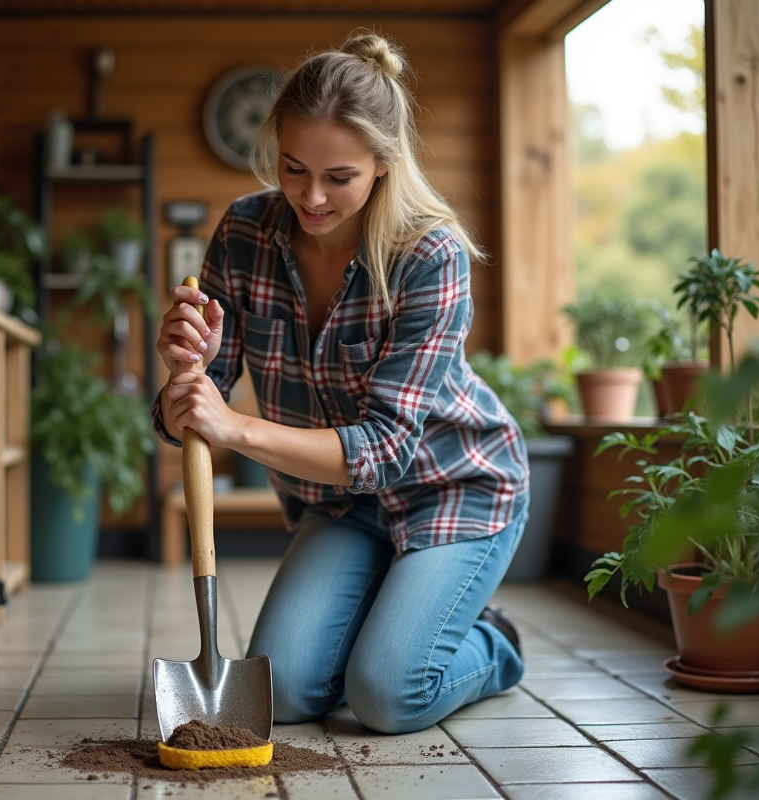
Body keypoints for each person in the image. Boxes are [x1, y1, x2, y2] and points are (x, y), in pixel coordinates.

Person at [152, 30, 529, 735]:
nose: (312, 197)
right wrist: (182, 372)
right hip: (339, 502)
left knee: (388, 694)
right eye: (294, 169)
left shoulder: (429, 252)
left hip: (452, 487)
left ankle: (492, 643)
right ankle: (394, 615)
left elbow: (385, 451)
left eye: (339, 177)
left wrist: (234, 427)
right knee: (289, 693)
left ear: (383, 165)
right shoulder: (243, 235)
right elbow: (191, 413)